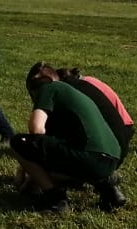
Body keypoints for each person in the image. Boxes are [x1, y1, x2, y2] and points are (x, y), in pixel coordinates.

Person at [11, 63, 122, 213]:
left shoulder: (49, 88)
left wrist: (25, 179)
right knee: (56, 156)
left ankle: (55, 198)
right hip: (112, 159)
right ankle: (107, 187)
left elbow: (36, 130)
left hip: (89, 159)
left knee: (19, 142)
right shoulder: (72, 95)